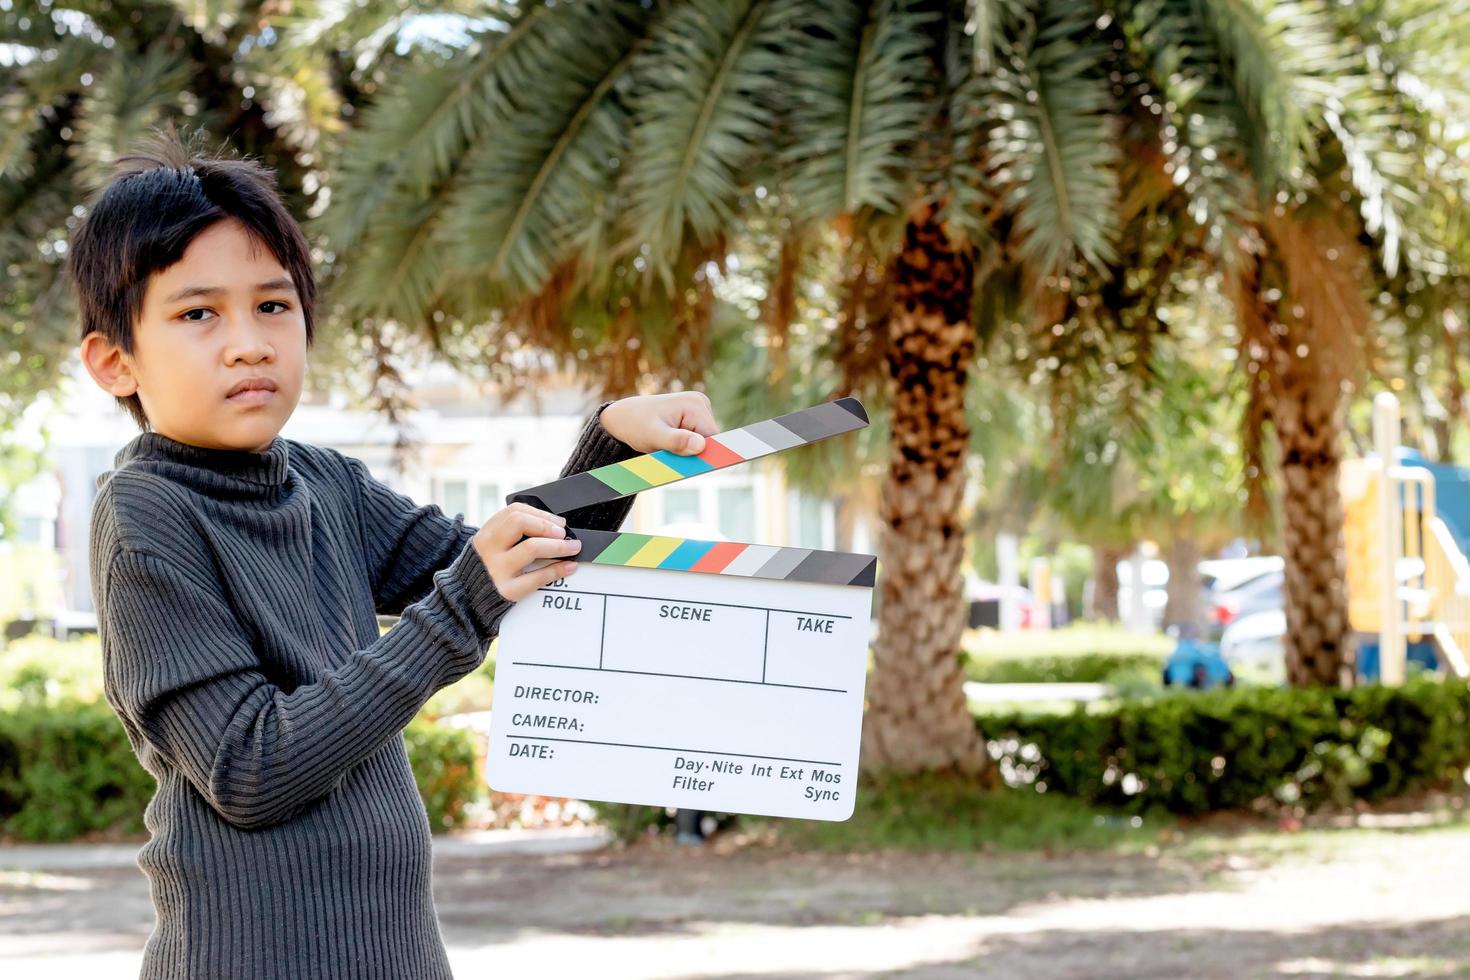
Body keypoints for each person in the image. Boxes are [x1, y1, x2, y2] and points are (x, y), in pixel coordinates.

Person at [73, 124, 719, 979]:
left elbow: (521, 569)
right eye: (198, 313)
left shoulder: (325, 484)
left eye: (274, 304)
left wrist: (611, 448)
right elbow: (250, 768)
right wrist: (461, 606)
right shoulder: (145, 517)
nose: (250, 341)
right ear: (115, 361)